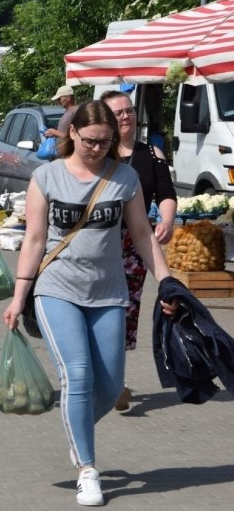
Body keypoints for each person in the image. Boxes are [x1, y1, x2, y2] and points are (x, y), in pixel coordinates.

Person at [1, 101, 178, 507]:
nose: (98, 148)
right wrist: (18, 295)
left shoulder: (125, 177)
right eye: (90, 141)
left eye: (105, 142)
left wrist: (168, 284)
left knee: (111, 385)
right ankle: (88, 469)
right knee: (77, 376)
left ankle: (77, 430)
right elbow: (33, 240)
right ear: (73, 135)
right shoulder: (46, 177)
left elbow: (143, 235)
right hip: (56, 288)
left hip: (109, 292)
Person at [101, 90, 177, 412]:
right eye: (118, 112)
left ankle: (114, 381)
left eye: (129, 110)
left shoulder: (152, 153)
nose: (126, 116)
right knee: (97, 308)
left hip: (135, 243)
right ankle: (100, 377)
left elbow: (167, 193)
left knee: (126, 310)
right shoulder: (97, 153)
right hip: (99, 240)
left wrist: (168, 221)